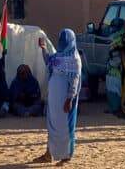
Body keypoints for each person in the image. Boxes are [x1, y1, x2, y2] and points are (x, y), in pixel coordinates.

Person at [32, 29, 82, 166]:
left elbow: (74, 81)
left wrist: (69, 99)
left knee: (65, 128)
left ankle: (66, 157)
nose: (62, 42)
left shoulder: (74, 59)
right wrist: (43, 49)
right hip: (54, 100)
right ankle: (48, 154)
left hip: (65, 101)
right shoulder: (58, 56)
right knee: (52, 126)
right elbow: (49, 61)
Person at [104, 18, 124, 115]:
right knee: (110, 89)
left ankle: (117, 108)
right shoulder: (114, 37)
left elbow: (119, 56)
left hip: (116, 70)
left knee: (116, 89)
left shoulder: (120, 38)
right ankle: (113, 108)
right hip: (111, 69)